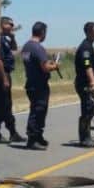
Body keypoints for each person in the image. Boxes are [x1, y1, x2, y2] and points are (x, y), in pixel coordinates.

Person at [21, 21, 60, 150]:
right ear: (42, 32)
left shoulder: (26, 46)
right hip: (39, 84)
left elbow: (35, 63)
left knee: (38, 110)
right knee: (38, 111)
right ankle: (32, 139)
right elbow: (45, 67)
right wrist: (54, 66)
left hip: (31, 82)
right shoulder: (38, 48)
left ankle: (38, 136)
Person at [0, 16, 25, 143]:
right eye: (10, 24)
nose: (12, 26)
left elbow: (14, 49)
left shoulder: (4, 39)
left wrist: (13, 37)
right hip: (0, 75)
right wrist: (4, 78)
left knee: (0, 105)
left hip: (4, 74)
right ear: (3, 24)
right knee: (5, 104)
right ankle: (11, 132)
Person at [74, 22, 94, 148]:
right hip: (84, 85)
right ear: (88, 32)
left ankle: (86, 136)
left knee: (90, 109)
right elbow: (87, 66)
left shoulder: (89, 46)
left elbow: (93, 67)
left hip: (88, 83)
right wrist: (93, 82)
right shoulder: (85, 47)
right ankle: (84, 139)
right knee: (87, 110)